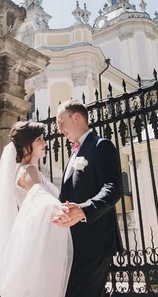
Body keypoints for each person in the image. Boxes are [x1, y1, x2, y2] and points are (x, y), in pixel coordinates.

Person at [0, 121, 73, 297]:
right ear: (26, 146)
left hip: (32, 235)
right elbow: (40, 197)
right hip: (39, 238)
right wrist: (62, 211)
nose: (45, 143)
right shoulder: (29, 171)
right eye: (39, 139)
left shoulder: (21, 170)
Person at [53, 100, 123, 297]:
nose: (60, 130)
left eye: (61, 123)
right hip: (75, 243)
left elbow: (113, 187)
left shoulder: (101, 146)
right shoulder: (74, 153)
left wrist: (84, 209)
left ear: (76, 117)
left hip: (96, 240)